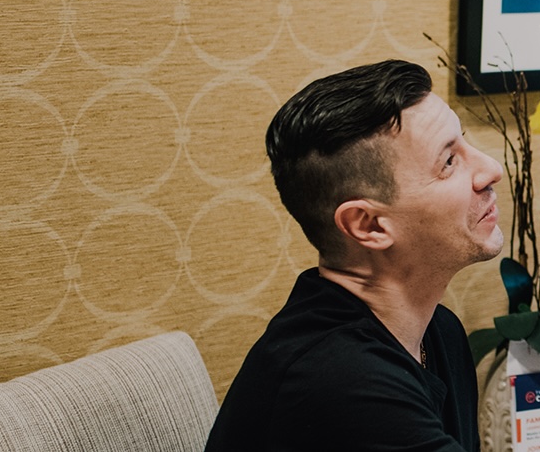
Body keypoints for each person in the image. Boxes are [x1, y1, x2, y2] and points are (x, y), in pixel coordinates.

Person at [205, 59, 505, 452]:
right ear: (368, 225)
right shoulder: (341, 383)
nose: (492, 169)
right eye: (448, 161)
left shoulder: (439, 331)